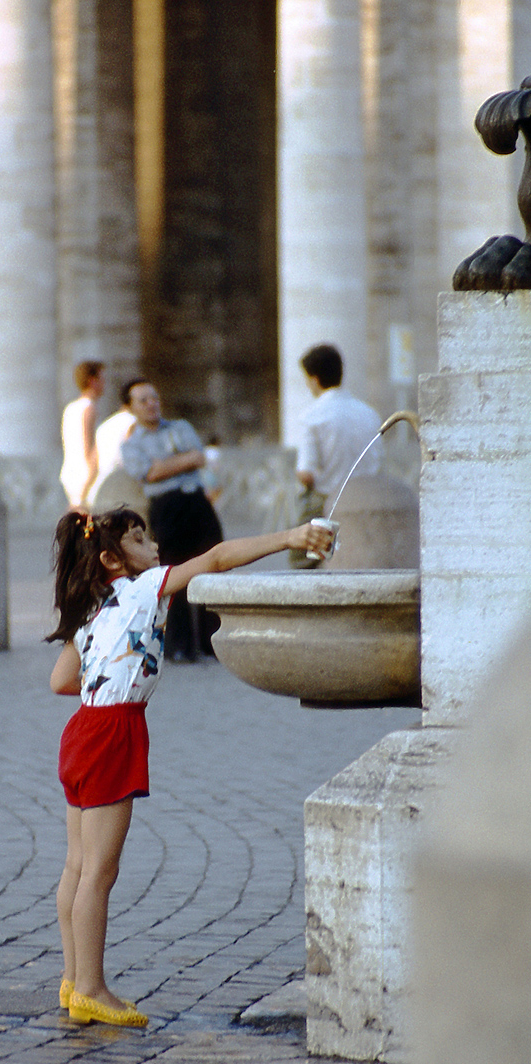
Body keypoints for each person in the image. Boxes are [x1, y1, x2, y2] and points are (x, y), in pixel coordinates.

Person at [48, 506, 333, 1029]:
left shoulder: (92, 606)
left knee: (76, 865)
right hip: (114, 731)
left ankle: (72, 980)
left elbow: (61, 680)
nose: (154, 546)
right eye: (140, 539)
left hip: (82, 729)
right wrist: (291, 535)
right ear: (113, 558)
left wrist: (110, 673)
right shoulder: (144, 587)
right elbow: (218, 559)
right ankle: (91, 988)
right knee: (101, 872)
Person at [120, 379, 223, 661]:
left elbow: (198, 457)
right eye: (143, 400)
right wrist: (183, 460)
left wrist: (166, 465)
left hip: (196, 501)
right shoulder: (131, 445)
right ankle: (179, 645)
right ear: (130, 407)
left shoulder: (181, 427)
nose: (151, 404)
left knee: (212, 566)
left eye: (154, 397)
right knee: (172, 574)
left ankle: (212, 641)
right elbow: (148, 473)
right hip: (166, 508)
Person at [295, 343, 383, 522]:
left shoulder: (311, 416)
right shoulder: (369, 413)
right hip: (367, 500)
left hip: (329, 501)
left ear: (314, 379)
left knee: (298, 545)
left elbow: (306, 473)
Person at [59, 361, 106, 512]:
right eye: (102, 379)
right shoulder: (89, 408)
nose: (105, 383)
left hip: (70, 473)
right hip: (85, 476)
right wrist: (86, 486)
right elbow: (90, 448)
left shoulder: (71, 408)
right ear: (93, 381)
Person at [86, 390, 136, 509]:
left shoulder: (105, 425)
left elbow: (93, 464)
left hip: (100, 491)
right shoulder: (133, 422)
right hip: (123, 489)